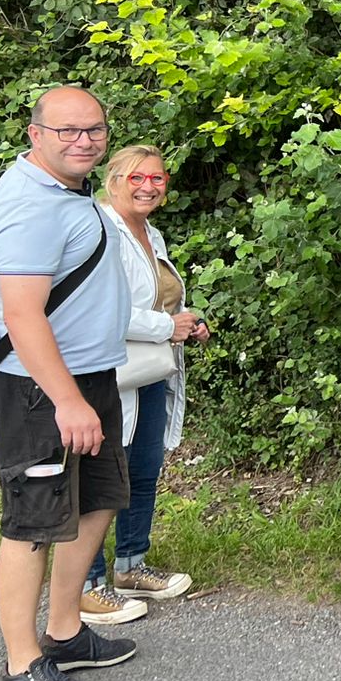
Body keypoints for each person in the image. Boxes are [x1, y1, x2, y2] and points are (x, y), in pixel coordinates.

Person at [0, 85, 139, 681]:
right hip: (42, 390)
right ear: (34, 134)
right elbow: (22, 315)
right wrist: (67, 401)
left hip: (88, 377)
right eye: (68, 130)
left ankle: (65, 631)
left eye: (94, 130)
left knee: (96, 501)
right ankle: (20, 668)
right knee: (33, 523)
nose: (84, 141)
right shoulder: (29, 207)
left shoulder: (67, 192)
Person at [81, 144, 207, 624]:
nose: (148, 187)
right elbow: (97, 308)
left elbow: (157, 300)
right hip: (107, 373)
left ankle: (131, 567)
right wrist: (165, 328)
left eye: (157, 179)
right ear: (114, 179)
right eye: (137, 178)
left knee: (143, 470)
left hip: (151, 369)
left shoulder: (150, 232)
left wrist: (185, 322)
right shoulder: (98, 230)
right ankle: (88, 585)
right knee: (98, 478)